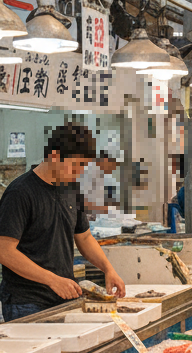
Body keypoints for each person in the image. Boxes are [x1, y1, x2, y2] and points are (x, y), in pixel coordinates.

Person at [0, 124, 126, 321]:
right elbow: (4, 251)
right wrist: (52, 280)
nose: (79, 173)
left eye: (82, 167)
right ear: (54, 156)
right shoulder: (20, 193)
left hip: (64, 298)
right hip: (26, 303)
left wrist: (108, 269)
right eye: (75, 166)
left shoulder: (71, 189)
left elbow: (84, 236)